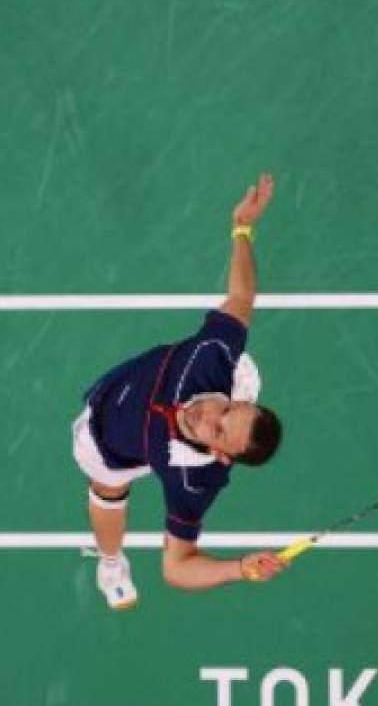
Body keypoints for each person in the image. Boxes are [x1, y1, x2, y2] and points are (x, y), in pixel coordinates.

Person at [72, 173, 288, 610]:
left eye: (219, 432)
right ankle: (110, 556)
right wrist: (242, 228)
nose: (207, 416)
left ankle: (110, 563)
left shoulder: (194, 478)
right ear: (237, 399)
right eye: (226, 411)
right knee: (233, 335)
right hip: (119, 385)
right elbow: (242, 296)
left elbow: (177, 567)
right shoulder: (211, 357)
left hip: (112, 443)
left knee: (108, 489)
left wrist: (239, 567)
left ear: (222, 454)